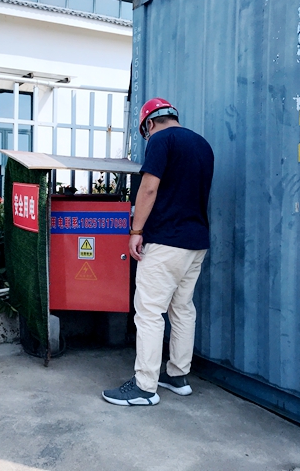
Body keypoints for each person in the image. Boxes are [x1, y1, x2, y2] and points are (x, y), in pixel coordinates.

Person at [102, 98, 214, 406]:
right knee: (182, 308)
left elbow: (149, 188)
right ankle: (177, 375)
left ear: (149, 124)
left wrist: (136, 231)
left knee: (149, 311)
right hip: (196, 242)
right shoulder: (203, 145)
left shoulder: (161, 140)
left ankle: (144, 387)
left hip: (166, 242)